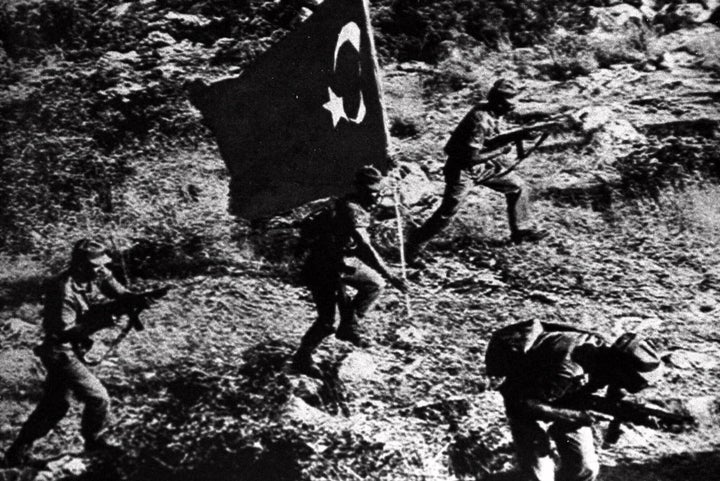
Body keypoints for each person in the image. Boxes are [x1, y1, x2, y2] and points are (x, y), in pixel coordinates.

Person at [4, 239, 133, 466]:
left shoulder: (94, 273)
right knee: (98, 398)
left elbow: (114, 287)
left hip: (68, 349)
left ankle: (16, 454)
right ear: (80, 265)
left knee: (54, 406)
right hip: (60, 352)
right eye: (96, 265)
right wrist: (103, 320)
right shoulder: (63, 290)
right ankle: (92, 442)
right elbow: (65, 333)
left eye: (103, 264)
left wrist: (132, 299)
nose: (102, 269)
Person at [405, 78, 547, 264]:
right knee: (448, 211)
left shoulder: (492, 110)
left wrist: (520, 134)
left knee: (517, 186)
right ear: (497, 102)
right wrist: (501, 151)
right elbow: (470, 157)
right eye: (509, 104)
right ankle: (413, 246)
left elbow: (493, 138)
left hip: (484, 167)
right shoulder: (479, 121)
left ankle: (521, 230)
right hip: (462, 170)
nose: (512, 107)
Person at [499, 329, 662, 481]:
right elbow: (524, 404)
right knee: (541, 475)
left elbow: (617, 393)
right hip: (526, 400)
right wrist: (578, 416)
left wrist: (637, 416)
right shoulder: (569, 369)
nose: (638, 386)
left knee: (586, 469)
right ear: (620, 371)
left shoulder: (613, 360)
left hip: (565, 397)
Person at [292, 166, 408, 377]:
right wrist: (391, 275)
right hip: (323, 267)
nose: (375, 196)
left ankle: (349, 326)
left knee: (374, 285)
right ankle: (302, 358)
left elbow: (362, 245)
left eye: (377, 191)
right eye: (370, 191)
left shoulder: (363, 205)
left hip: (343, 261)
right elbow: (365, 247)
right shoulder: (351, 208)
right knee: (327, 322)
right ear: (358, 189)